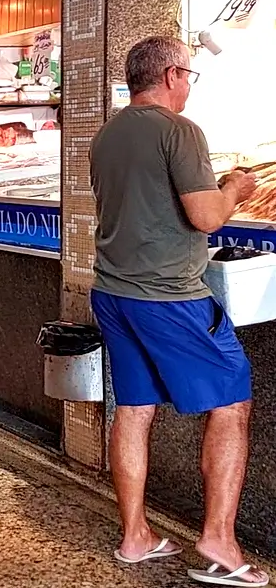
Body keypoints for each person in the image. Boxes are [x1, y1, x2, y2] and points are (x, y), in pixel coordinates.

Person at [90, 36, 262, 586]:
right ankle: (219, 538)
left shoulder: (107, 133)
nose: (189, 85)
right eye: (189, 75)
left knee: (134, 409)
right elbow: (206, 216)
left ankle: (135, 535)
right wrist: (233, 188)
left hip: (113, 293)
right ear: (170, 75)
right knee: (231, 403)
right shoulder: (180, 130)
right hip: (169, 298)